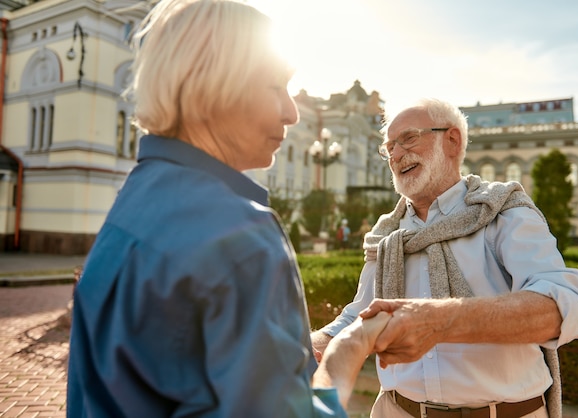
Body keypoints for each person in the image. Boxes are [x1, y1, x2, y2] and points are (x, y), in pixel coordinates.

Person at [66, 1, 392, 416]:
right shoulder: (239, 232)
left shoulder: (138, 197)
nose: (291, 112)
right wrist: (351, 347)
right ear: (209, 88)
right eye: (275, 87)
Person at [311, 98, 578, 418]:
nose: (396, 155)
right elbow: (360, 316)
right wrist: (311, 345)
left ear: (452, 140)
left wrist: (439, 321)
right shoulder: (387, 232)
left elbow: (566, 307)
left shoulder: (503, 211)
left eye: (408, 138)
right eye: (389, 147)